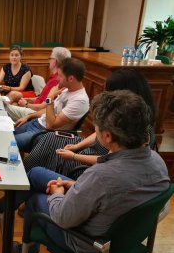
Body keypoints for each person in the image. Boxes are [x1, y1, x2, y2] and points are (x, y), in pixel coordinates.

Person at [12, 90, 169, 253]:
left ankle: (28, 252)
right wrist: (74, 185)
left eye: (97, 127)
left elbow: (62, 218)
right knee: (36, 173)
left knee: (35, 199)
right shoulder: (158, 162)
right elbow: (113, 194)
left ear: (107, 136)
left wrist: (57, 195)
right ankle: (4, 207)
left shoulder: (100, 176)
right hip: (124, 236)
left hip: (87, 243)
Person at [23, 67, 157, 177]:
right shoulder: (120, 111)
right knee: (50, 138)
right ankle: (25, 176)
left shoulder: (141, 127)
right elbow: (97, 134)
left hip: (98, 164)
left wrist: (74, 155)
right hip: (90, 149)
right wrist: (77, 146)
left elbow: (111, 160)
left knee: (54, 154)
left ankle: (29, 180)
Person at [13, 57, 89, 151]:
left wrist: (49, 98)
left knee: (8, 142)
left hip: (44, 133)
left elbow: (50, 125)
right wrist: (29, 116)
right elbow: (49, 111)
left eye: (60, 76)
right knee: (6, 134)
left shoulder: (79, 101)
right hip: (36, 123)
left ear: (71, 78)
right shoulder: (66, 89)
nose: (58, 78)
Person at [5, 47, 71, 121]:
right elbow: (42, 98)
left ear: (55, 61)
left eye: (50, 58)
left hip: (37, 113)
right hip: (36, 107)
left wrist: (26, 104)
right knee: (14, 103)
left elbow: (44, 107)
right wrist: (29, 100)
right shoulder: (55, 77)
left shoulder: (56, 80)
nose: (49, 61)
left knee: (4, 106)